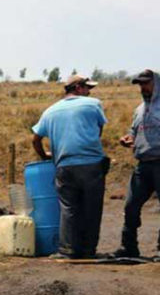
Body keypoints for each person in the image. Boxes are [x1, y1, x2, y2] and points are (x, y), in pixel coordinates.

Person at [32, 75, 109, 259]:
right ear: (78, 87)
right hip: (91, 164)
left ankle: (67, 250)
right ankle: (89, 250)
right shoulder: (92, 104)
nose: (89, 91)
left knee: (68, 208)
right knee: (92, 208)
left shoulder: (50, 111)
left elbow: (35, 139)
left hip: (64, 165)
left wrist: (45, 156)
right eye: (87, 87)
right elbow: (98, 130)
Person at [113, 69, 160, 259]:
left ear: (158, 83)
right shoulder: (139, 109)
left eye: (146, 83)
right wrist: (128, 138)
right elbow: (134, 132)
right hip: (143, 164)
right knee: (131, 206)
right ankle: (128, 246)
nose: (142, 87)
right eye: (140, 84)